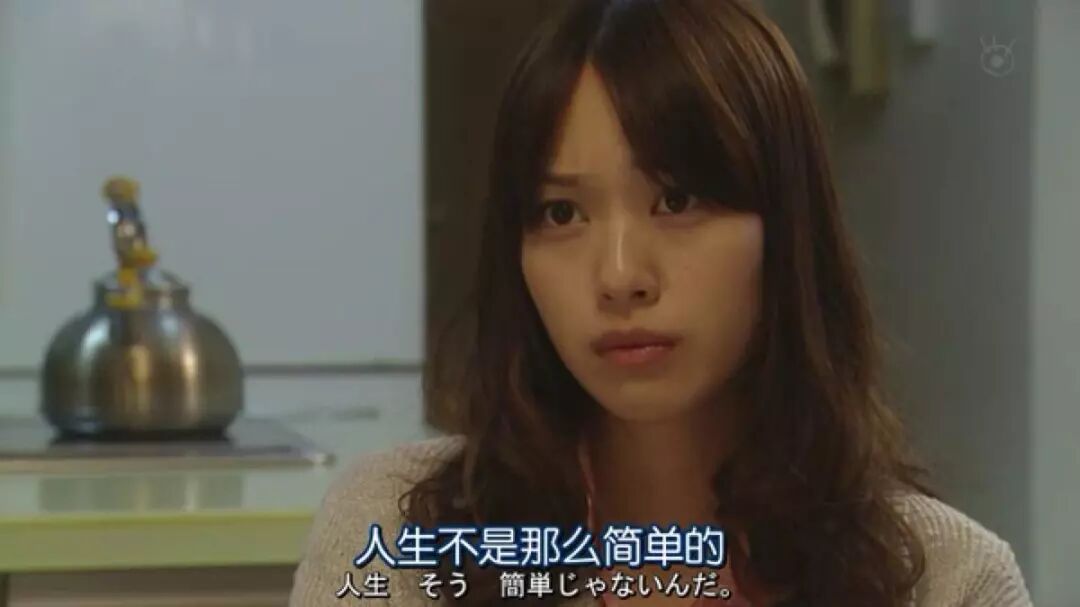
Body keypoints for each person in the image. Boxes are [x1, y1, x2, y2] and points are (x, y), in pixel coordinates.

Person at [289, 0, 1032, 605]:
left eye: (676, 200)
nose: (619, 276)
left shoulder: (945, 579)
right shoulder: (398, 534)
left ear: (787, 230)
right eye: (560, 213)